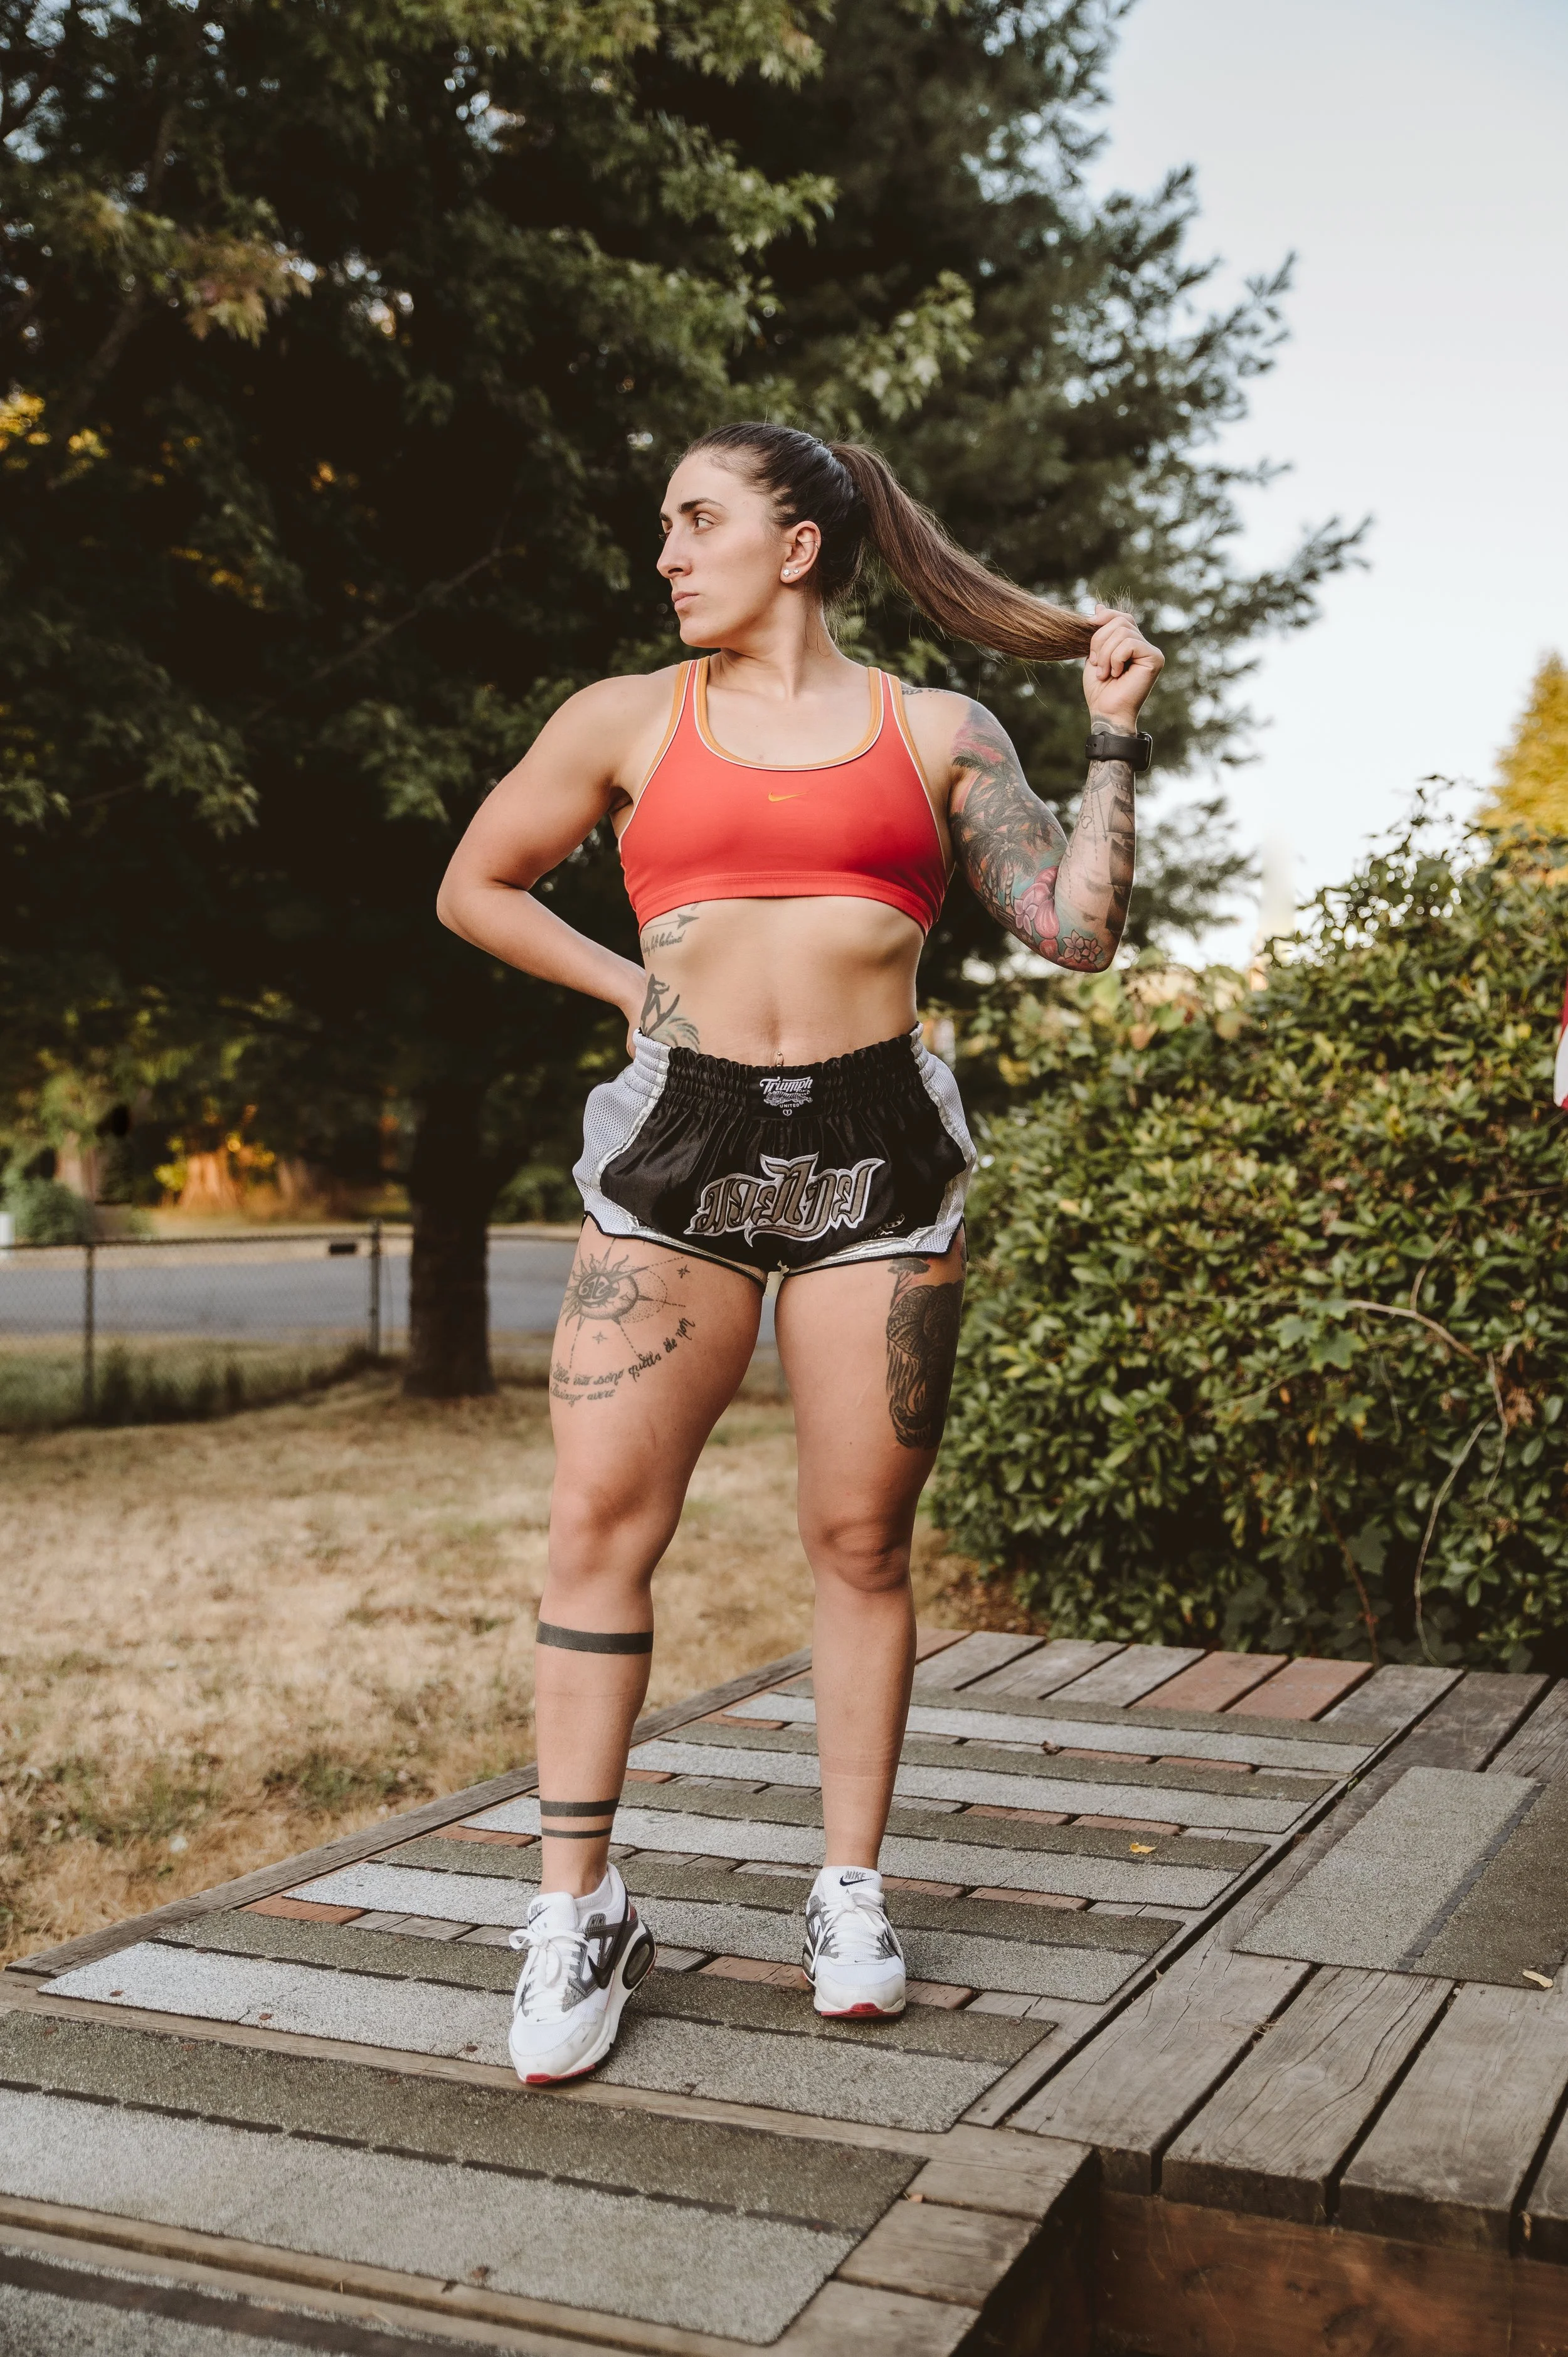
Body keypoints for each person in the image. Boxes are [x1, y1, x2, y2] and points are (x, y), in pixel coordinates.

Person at [437, 423, 1163, 2085]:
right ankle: (577, 1906)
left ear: (798, 544)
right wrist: (630, 988)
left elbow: (1074, 929)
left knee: (859, 1536)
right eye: (665, 525)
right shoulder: (625, 719)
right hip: (678, 1144)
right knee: (597, 1520)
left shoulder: (940, 731)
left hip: (877, 1147)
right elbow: (476, 884)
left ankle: (847, 1891)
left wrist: (1113, 737)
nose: (666, 553)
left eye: (697, 520)